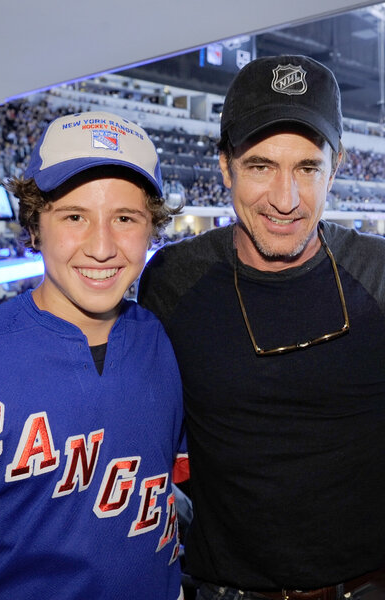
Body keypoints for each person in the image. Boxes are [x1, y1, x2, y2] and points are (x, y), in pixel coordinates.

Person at [138, 55, 385, 600]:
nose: (285, 199)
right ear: (224, 167)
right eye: (260, 166)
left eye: (307, 168)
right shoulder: (173, 281)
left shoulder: (379, 276)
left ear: (336, 166)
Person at [0, 110, 186, 600]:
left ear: (151, 230)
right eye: (74, 216)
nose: (102, 247)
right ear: (33, 225)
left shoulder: (161, 339)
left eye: (125, 218)